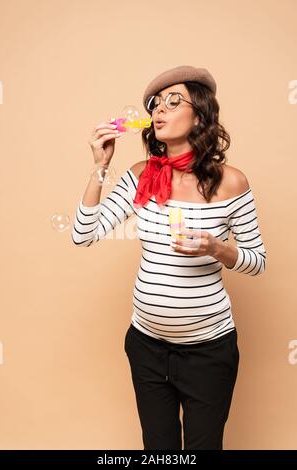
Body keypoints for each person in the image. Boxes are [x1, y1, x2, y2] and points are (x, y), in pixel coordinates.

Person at [72, 65, 267, 450]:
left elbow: (258, 261)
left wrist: (217, 248)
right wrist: (100, 168)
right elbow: (83, 234)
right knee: (158, 451)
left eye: (173, 101)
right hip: (146, 348)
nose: (160, 109)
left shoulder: (232, 182)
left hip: (209, 351)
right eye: (155, 103)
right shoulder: (141, 175)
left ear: (200, 114)